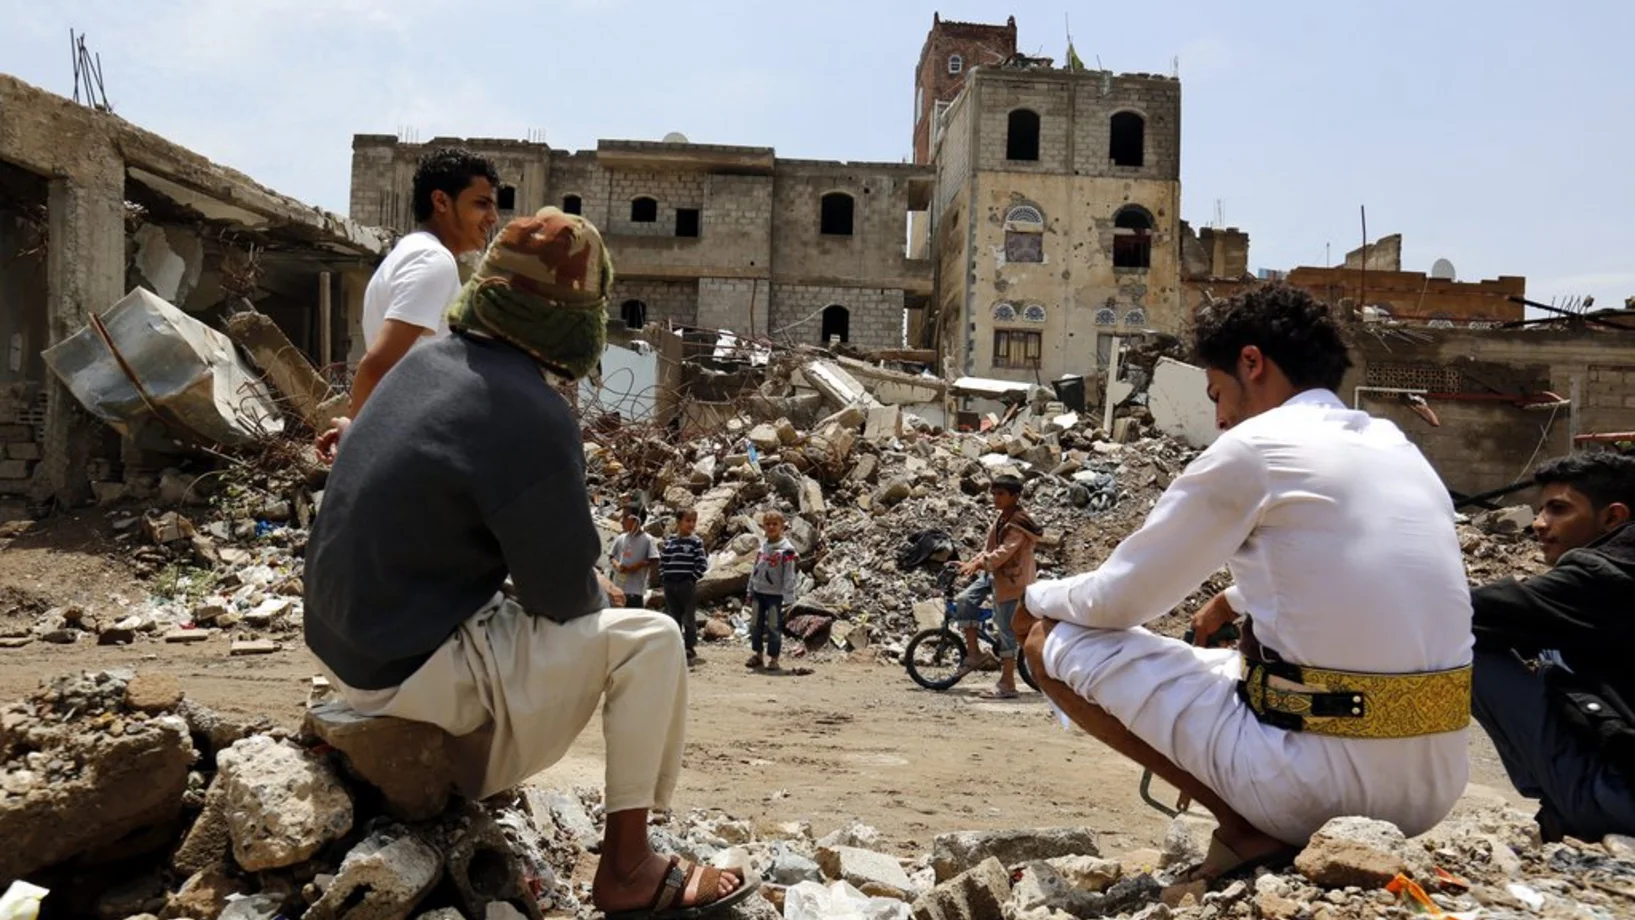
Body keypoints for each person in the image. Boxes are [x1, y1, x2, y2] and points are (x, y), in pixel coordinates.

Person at [304, 207, 753, 917]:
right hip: (405, 678)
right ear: (575, 320)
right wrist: (598, 590)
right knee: (651, 641)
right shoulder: (529, 411)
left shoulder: (420, 365)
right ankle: (629, 866)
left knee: (560, 606)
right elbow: (563, 597)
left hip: (346, 648)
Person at [1012, 283, 1473, 878]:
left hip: (1314, 789)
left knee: (1050, 641)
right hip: (1435, 785)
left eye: (1217, 393)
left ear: (1251, 363)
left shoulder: (1254, 448)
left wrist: (1033, 597)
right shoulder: (1398, 446)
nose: (1219, 417)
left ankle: (1246, 829)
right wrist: (1231, 601)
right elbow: (1339, 573)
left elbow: (1118, 601)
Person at [1469, 451, 1635, 842]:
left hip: (1621, 799)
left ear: (1613, 517)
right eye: (1541, 510)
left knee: (1462, 648)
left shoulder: (1602, 576)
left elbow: (1467, 613)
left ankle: (1573, 810)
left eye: (1558, 509)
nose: (1539, 523)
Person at [316, 148, 500, 461]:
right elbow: (376, 365)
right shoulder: (433, 260)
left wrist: (359, 428)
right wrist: (357, 445)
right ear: (441, 201)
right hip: (419, 450)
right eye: (481, 203)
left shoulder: (410, 253)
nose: (493, 217)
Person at [952, 474, 1042, 699]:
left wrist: (978, 564)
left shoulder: (1019, 523)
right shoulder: (1002, 519)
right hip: (994, 574)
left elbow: (1003, 553)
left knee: (1006, 631)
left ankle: (1007, 683)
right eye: (993, 494)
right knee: (964, 600)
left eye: (1001, 494)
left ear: (1015, 496)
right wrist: (972, 562)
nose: (995, 498)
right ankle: (974, 654)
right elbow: (990, 549)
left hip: (1013, 581)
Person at [746, 510, 798, 672]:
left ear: (782, 526)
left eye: (775, 524)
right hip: (758, 592)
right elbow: (755, 569)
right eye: (767, 524)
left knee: (774, 627)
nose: (771, 527)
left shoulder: (787, 551)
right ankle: (758, 654)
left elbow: (789, 575)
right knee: (755, 625)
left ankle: (774, 658)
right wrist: (750, 590)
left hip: (775, 595)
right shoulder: (763, 547)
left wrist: (789, 597)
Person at [660, 509, 709, 665]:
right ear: (678, 522)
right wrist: (664, 577)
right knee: (673, 617)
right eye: (688, 521)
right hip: (670, 584)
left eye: (694, 521)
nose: (691, 524)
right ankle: (675, 645)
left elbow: (702, 564)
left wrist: (691, 579)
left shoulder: (696, 542)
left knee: (688, 617)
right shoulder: (670, 541)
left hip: (686, 584)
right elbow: (663, 561)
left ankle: (689, 647)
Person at [609, 505, 660, 607]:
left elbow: (654, 560)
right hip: (618, 590)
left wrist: (635, 567)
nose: (621, 521)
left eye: (625, 517)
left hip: (635, 592)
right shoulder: (621, 538)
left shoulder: (647, 540)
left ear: (636, 520)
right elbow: (611, 556)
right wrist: (617, 565)